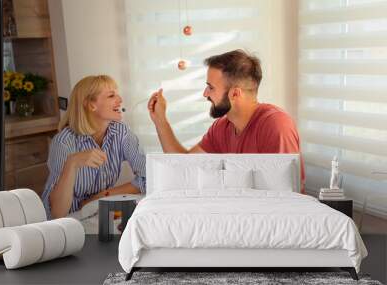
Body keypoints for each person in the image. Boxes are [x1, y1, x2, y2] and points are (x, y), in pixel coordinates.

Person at [148, 49, 305, 192]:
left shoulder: (276, 125)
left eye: (211, 87)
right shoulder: (222, 127)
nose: (205, 94)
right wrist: (160, 121)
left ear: (235, 94)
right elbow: (185, 165)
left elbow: (286, 196)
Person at [42, 75, 145, 219]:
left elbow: (148, 177)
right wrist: (72, 163)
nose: (120, 99)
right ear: (91, 105)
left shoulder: (121, 132)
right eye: (111, 95)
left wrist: (102, 196)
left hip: (97, 213)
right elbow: (57, 213)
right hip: (69, 221)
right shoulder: (64, 143)